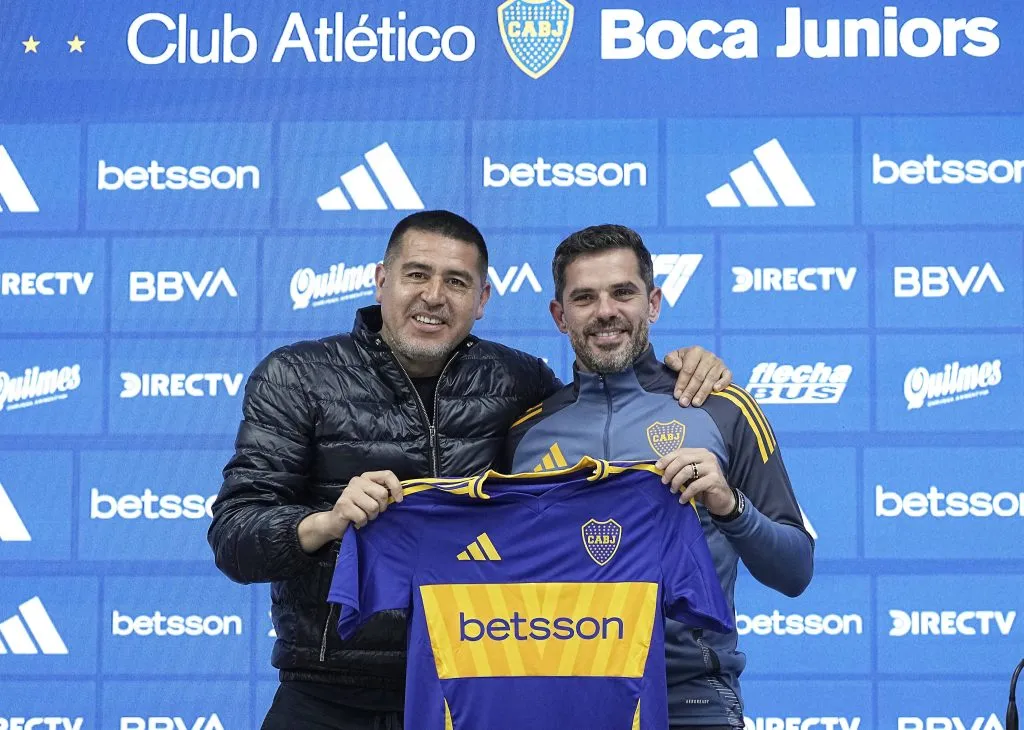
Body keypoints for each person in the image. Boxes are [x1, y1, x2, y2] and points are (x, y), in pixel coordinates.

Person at [207, 210, 734, 730]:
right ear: (380, 281)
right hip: (329, 693)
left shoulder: (523, 383)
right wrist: (327, 522)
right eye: (417, 274)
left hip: (479, 687)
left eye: (456, 281)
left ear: (481, 300)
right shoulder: (296, 376)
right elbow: (234, 538)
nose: (434, 296)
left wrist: (677, 369)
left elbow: (596, 424)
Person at [501, 224, 815, 730]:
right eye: (584, 297)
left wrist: (728, 505)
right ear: (559, 317)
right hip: (558, 701)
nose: (606, 311)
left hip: (690, 703)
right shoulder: (523, 433)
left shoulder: (720, 407)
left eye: (623, 292)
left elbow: (795, 571)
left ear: (654, 303)